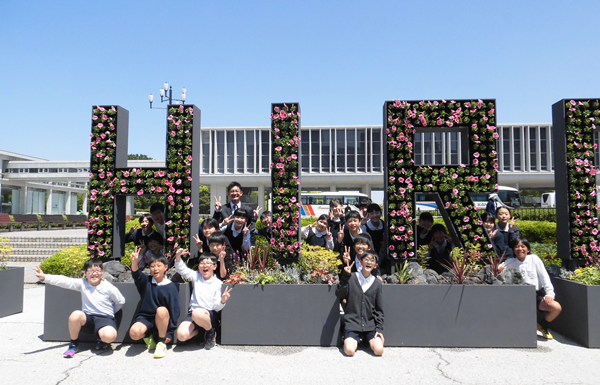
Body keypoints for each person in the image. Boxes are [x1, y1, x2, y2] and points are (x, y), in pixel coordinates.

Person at [33, 259, 125, 357]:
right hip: (88, 319)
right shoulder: (83, 283)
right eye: (90, 271)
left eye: (97, 271)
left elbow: (120, 301)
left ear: (102, 272)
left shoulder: (109, 287)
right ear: (85, 273)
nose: (94, 274)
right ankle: (73, 344)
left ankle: (101, 339)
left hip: (105, 319)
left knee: (109, 336)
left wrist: (110, 312)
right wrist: (44, 277)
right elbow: (65, 281)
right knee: (75, 315)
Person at [500, 238, 562, 339]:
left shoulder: (534, 259)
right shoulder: (510, 261)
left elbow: (544, 277)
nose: (520, 249)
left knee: (556, 308)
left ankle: (543, 325)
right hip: (518, 297)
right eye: (517, 246)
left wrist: (550, 294)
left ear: (528, 249)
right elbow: (499, 268)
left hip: (536, 295)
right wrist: (500, 269)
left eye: (522, 246)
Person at [174, 249, 233, 350]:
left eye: (208, 263)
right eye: (202, 263)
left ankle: (210, 333)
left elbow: (216, 307)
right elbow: (182, 270)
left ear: (215, 267)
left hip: (209, 315)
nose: (205, 266)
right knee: (181, 335)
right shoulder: (196, 277)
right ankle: (201, 333)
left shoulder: (218, 283)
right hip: (193, 314)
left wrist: (222, 301)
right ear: (198, 267)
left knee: (197, 313)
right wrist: (178, 256)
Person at [129, 247, 180, 358]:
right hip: (146, 318)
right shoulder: (146, 282)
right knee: (134, 333)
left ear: (166, 267)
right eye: (152, 266)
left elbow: (175, 311)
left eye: (158, 266)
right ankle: (148, 336)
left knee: (161, 310)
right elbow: (136, 275)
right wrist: (134, 261)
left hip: (162, 319)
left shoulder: (170, 287)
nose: (155, 269)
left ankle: (161, 343)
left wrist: (169, 332)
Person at [336, 250, 384, 357]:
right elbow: (340, 293)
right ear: (361, 262)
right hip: (353, 324)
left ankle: (366, 341)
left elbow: (379, 308)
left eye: (372, 260)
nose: (369, 262)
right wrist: (344, 277)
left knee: (379, 350)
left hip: (370, 325)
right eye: (366, 259)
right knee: (349, 351)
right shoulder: (351, 277)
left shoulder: (377, 283)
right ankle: (352, 340)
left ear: (375, 265)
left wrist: (379, 328)